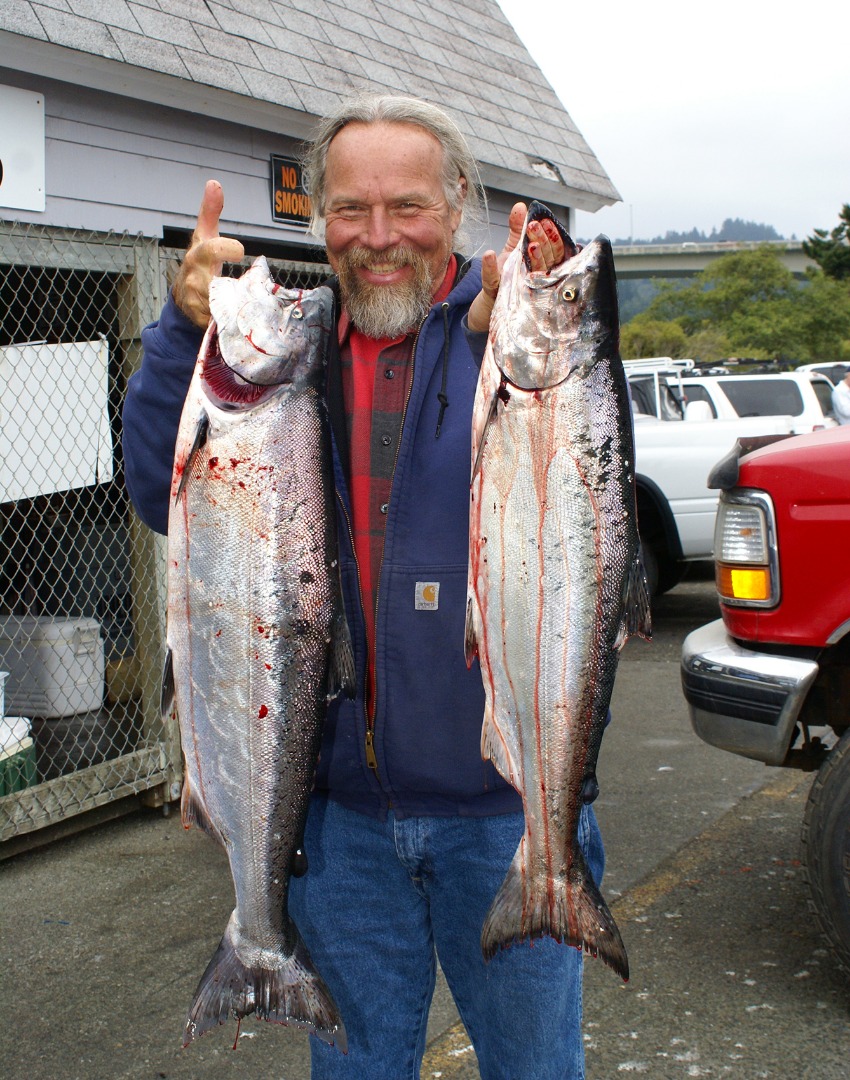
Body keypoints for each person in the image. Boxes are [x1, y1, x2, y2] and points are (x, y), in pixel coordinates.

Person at [122, 93, 605, 1080]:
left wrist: (529, 313)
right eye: (349, 209)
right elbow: (159, 494)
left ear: (459, 205)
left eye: (408, 207)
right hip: (338, 830)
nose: (378, 238)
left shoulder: (504, 343)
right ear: (318, 219)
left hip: (506, 817)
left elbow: (585, 491)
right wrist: (180, 333)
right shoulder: (285, 361)